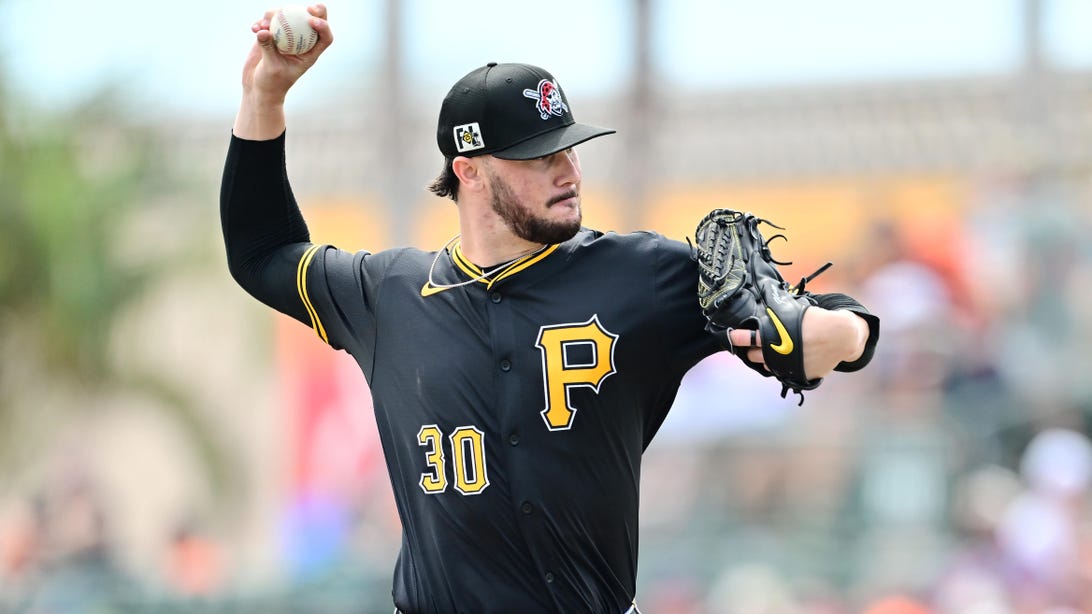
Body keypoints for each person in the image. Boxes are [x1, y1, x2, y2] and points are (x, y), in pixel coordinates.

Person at [221, 6, 879, 613]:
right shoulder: (388, 297)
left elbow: (826, 319)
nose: (568, 169)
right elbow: (262, 253)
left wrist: (838, 332)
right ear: (469, 170)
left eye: (569, 147)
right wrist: (265, 96)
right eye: (540, 155)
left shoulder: (642, 275)